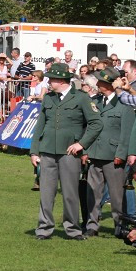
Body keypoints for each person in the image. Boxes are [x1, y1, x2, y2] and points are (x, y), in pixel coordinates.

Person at [29, 63, 103, 241]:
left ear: (61, 80)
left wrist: (81, 144)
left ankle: (72, 229)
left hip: (69, 153)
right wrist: (34, 151)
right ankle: (44, 228)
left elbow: (96, 123)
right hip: (47, 151)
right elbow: (40, 125)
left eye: (52, 79)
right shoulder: (48, 98)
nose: (49, 81)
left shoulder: (81, 98)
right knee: (46, 193)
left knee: (70, 193)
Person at [84, 68, 131, 237]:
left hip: (113, 155)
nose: (96, 84)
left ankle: (120, 225)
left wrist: (121, 153)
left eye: (100, 82)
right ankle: (92, 225)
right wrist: (86, 150)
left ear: (108, 84)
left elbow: (126, 132)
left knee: (117, 195)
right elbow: (89, 126)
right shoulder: (94, 101)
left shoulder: (124, 102)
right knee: (93, 193)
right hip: (95, 153)